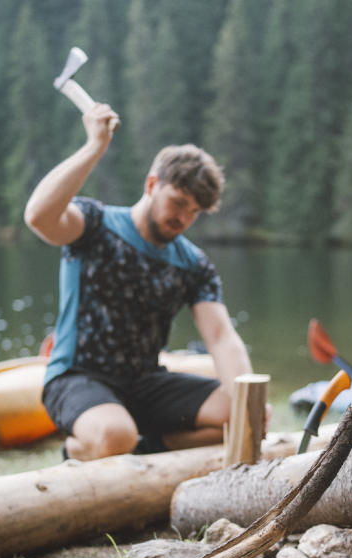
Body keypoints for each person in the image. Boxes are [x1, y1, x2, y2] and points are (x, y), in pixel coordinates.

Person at [24, 103, 257, 461]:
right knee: (116, 435)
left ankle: (146, 449)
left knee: (247, 416)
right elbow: (39, 216)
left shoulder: (193, 263)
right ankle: (80, 449)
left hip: (146, 384)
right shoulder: (94, 225)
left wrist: (247, 401)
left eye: (194, 212)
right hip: (77, 377)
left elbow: (220, 336)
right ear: (151, 184)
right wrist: (94, 147)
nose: (183, 218)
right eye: (178, 203)